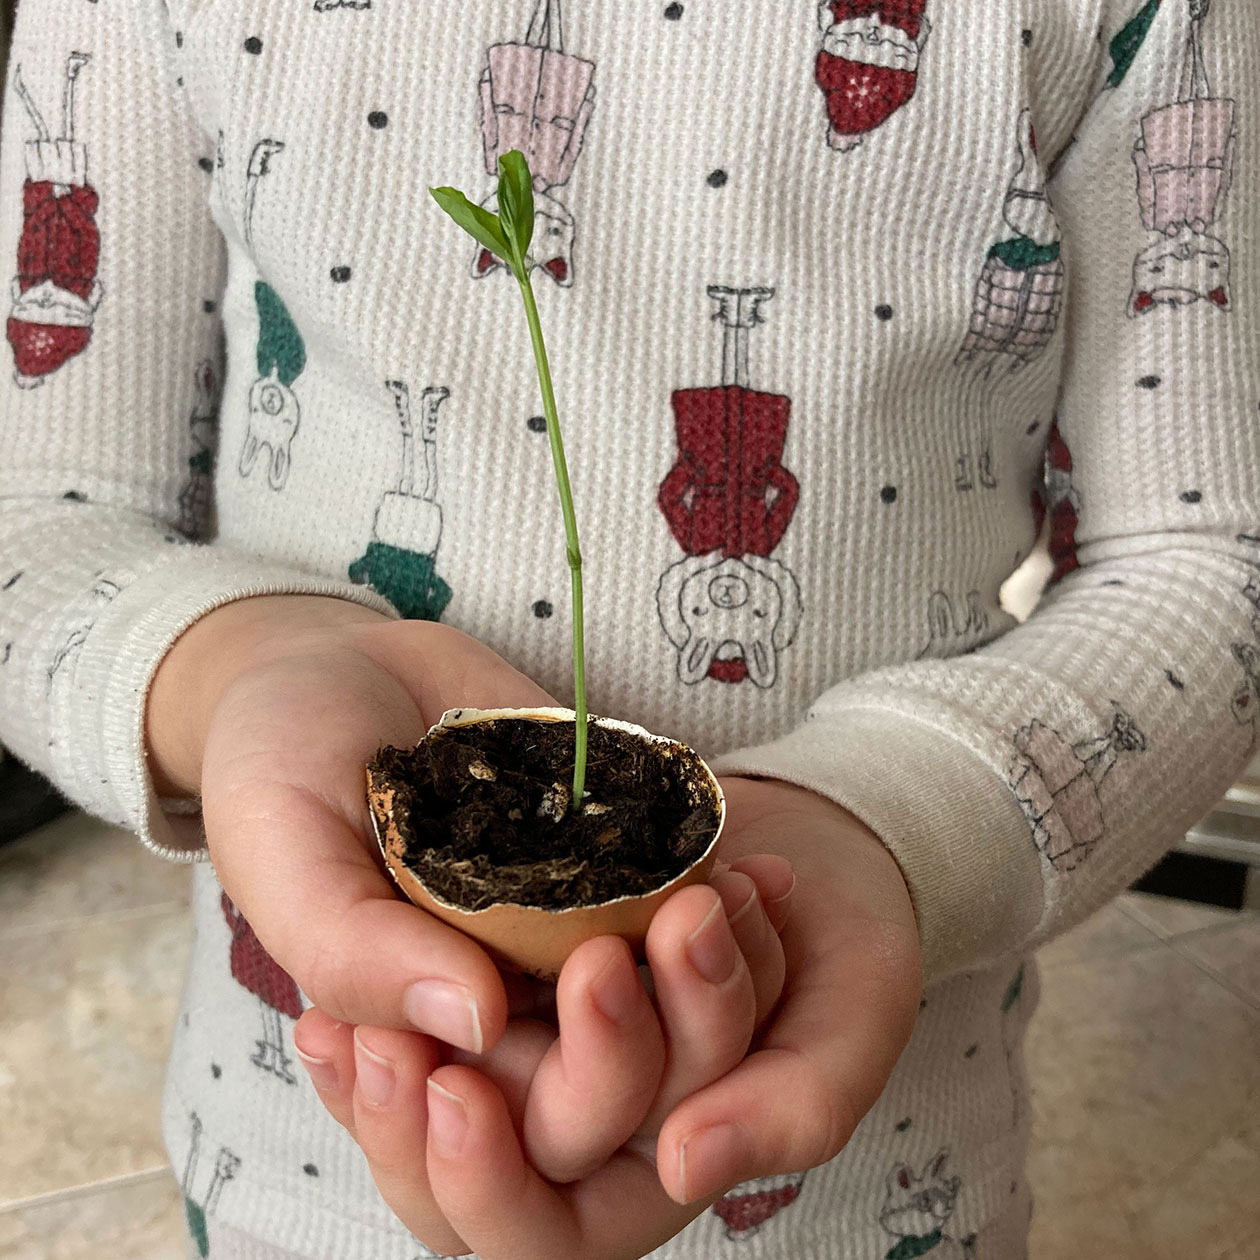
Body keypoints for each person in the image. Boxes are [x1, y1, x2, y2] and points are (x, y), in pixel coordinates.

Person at [1, 1, 1256, 1256]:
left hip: (879, 1183)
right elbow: (39, 515)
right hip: (292, 1146)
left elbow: (1210, 559)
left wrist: (887, 824)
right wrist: (247, 670)